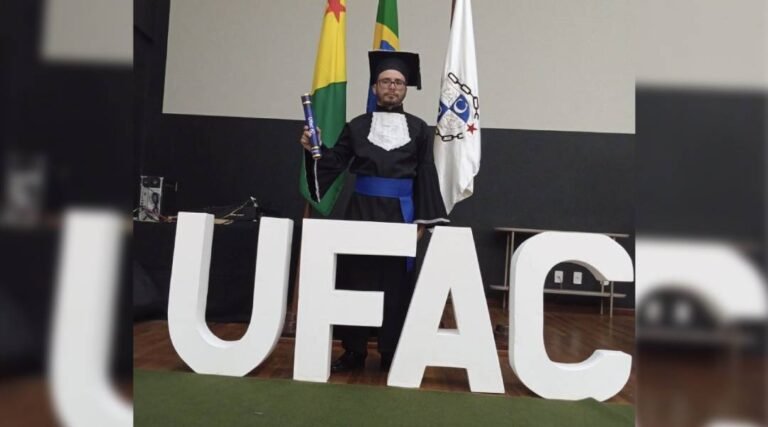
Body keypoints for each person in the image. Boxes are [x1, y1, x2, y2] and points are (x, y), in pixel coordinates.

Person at [299, 50, 449, 372]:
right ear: (374, 88)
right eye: (385, 82)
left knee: (394, 284)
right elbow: (335, 163)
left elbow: (425, 172)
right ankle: (353, 351)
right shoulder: (356, 126)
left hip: (401, 214)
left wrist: (422, 221)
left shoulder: (421, 129)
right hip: (361, 212)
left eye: (398, 82)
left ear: (406, 88)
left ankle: (391, 351)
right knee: (356, 279)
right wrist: (314, 149)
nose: (392, 87)